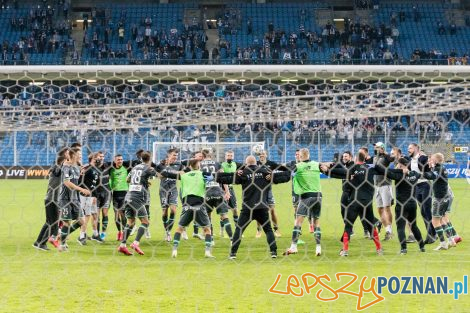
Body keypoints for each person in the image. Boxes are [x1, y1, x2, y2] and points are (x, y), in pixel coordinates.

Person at [217, 155, 291, 259]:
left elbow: (220, 177)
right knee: (268, 230)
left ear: (246, 163)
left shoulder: (243, 173)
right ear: (256, 163)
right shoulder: (265, 172)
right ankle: (273, 253)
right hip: (262, 207)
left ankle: (233, 254)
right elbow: (287, 176)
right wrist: (275, 175)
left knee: (239, 230)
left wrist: (234, 173)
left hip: (248, 208)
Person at [324, 151, 383, 257]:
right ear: (365, 159)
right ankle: (379, 249)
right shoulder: (370, 168)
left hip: (355, 201)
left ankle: (345, 250)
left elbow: (341, 173)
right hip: (367, 203)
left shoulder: (353, 168)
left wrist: (327, 171)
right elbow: (384, 171)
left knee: (348, 225)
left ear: (355, 158)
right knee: (371, 226)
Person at [162, 159, 215, 258]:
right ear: (198, 166)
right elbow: (212, 178)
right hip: (200, 206)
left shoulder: (183, 176)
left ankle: (174, 250)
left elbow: (167, 174)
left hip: (187, 206)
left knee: (179, 229)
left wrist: (159, 167)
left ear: (190, 167)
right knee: (207, 230)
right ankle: (207, 252)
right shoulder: (203, 174)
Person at [376, 157, 425, 254]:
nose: (396, 165)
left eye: (398, 164)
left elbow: (381, 169)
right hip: (412, 204)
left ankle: (403, 249)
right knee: (413, 226)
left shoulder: (398, 175)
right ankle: (422, 247)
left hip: (402, 205)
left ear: (401, 165)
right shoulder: (414, 174)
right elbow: (427, 175)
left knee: (400, 227)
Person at [283, 148, 326, 257]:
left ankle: (293, 247)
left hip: (306, 196)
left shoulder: (299, 166)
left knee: (298, 222)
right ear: (309, 154)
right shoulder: (316, 164)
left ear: (301, 156)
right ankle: (318, 248)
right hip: (318, 196)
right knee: (316, 222)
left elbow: (287, 171)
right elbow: (326, 167)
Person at [118, 151, 156, 256]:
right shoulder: (148, 168)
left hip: (129, 196)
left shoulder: (134, 168)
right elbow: (157, 175)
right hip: (137, 198)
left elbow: (127, 179)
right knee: (145, 222)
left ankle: (122, 246)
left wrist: (141, 181)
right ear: (150, 159)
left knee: (130, 222)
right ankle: (135, 243)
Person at [33, 148, 68, 251]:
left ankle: (38, 242)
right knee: (54, 224)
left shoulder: (60, 167)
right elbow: (59, 171)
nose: (69, 154)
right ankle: (43, 243)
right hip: (53, 199)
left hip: (51, 199)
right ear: (63, 155)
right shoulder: (57, 167)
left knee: (49, 222)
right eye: (67, 153)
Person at [57, 148, 91, 252]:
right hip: (65, 199)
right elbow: (67, 183)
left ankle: (63, 234)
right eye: (78, 154)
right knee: (67, 222)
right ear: (72, 155)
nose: (80, 156)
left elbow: (78, 172)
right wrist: (81, 189)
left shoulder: (76, 167)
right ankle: (62, 245)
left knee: (81, 221)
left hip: (74, 198)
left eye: (81, 154)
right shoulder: (66, 167)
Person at [422, 153, 456, 250]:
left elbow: (432, 176)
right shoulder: (442, 168)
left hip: (439, 198)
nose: (430, 161)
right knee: (442, 219)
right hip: (445, 197)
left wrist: (421, 173)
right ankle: (451, 240)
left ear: (436, 160)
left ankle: (443, 243)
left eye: (432, 159)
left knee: (435, 221)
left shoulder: (438, 169)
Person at [199, 149, 233, 242]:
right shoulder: (217, 164)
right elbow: (223, 178)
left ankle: (211, 239)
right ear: (211, 155)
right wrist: (227, 191)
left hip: (206, 192)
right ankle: (231, 239)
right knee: (224, 216)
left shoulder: (200, 164)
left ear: (202, 155)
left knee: (208, 216)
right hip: (218, 191)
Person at [408, 143, 435, 244]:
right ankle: (432, 233)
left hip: (425, 185)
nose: (408, 150)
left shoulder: (423, 158)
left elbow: (429, 171)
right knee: (423, 212)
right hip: (416, 187)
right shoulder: (410, 160)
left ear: (416, 149)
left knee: (426, 210)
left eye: (410, 148)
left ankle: (431, 235)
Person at [157, 148, 185, 242]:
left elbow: (183, 173)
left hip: (173, 189)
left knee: (173, 210)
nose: (175, 157)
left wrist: (170, 173)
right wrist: (172, 173)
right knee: (165, 211)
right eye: (174, 155)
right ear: (168, 155)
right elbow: (159, 175)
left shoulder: (179, 165)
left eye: (176, 156)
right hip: (163, 190)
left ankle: (169, 232)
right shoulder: (161, 164)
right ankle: (166, 231)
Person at [255, 150, 282, 238]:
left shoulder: (271, 164)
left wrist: (272, 175)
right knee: (259, 211)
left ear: (266, 155)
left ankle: (276, 229)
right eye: (260, 154)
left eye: (263, 154)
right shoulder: (255, 164)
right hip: (258, 190)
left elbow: (281, 169)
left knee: (272, 210)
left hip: (268, 190)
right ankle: (259, 230)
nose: (261, 155)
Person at [78, 152, 102, 245]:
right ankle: (81, 236)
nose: (99, 159)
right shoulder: (87, 169)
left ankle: (84, 235)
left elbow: (95, 185)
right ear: (92, 159)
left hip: (90, 196)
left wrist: (94, 195)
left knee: (90, 215)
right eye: (97, 157)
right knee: (85, 216)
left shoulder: (96, 169)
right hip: (83, 195)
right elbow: (79, 181)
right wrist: (83, 191)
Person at [373, 142, 395, 241]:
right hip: (377, 186)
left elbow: (391, 159)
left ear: (381, 148)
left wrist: (385, 152)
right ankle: (387, 230)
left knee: (387, 208)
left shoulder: (386, 158)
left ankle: (390, 231)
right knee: (380, 209)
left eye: (377, 147)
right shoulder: (374, 158)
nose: (375, 148)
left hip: (386, 185)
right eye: (375, 147)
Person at [220, 150, 242, 231]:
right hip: (222, 189)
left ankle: (237, 228)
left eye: (231, 156)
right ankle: (222, 230)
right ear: (225, 156)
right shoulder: (221, 165)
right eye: (228, 155)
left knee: (235, 209)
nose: (230, 157)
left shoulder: (235, 164)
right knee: (223, 211)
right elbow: (222, 179)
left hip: (231, 188)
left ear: (233, 157)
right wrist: (226, 191)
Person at [109, 154, 129, 241]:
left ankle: (124, 232)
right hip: (115, 194)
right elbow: (110, 180)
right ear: (114, 161)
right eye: (118, 160)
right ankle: (119, 232)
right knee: (116, 215)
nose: (120, 161)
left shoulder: (126, 168)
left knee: (123, 214)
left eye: (121, 159)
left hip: (124, 193)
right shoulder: (111, 170)